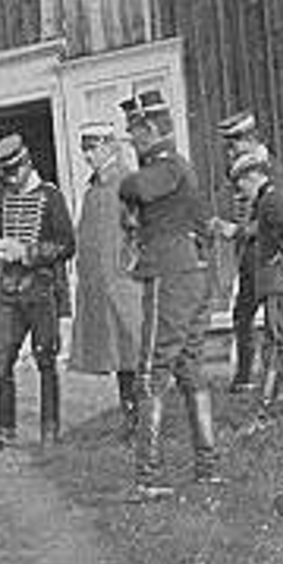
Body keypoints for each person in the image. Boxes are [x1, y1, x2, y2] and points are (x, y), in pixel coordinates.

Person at [118, 89, 222, 503]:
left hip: (171, 275)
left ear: (149, 129)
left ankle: (147, 476)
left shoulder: (168, 166)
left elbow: (136, 188)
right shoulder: (180, 167)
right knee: (190, 367)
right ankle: (207, 466)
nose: (131, 139)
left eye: (134, 132)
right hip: (193, 274)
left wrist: (126, 181)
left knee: (151, 371)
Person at [0, 133, 75, 453]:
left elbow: (67, 244)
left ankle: (50, 432)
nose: (9, 179)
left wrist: (29, 252)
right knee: (1, 361)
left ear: (27, 163)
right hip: (9, 291)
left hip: (41, 289)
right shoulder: (5, 198)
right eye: (4, 173)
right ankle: (4, 434)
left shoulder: (51, 196)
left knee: (45, 359)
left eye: (13, 171)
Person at [68, 119, 143, 443]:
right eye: (84, 149)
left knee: (137, 351)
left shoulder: (128, 183)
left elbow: (142, 229)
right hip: (101, 286)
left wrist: (132, 264)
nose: (88, 155)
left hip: (127, 285)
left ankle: (147, 423)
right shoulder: (93, 190)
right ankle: (130, 420)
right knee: (118, 355)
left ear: (110, 146)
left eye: (93, 148)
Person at [224, 150, 283, 416]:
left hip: (280, 282)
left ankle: (268, 407)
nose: (240, 191)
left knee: (278, 343)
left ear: (252, 177)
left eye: (240, 184)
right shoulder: (269, 199)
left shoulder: (271, 200)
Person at [214, 110, 274, 394]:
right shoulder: (238, 170)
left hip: (272, 255)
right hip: (249, 257)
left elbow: (273, 217)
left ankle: (277, 379)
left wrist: (238, 231)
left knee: (275, 320)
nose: (230, 151)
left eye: (234, 143)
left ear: (250, 139)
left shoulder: (269, 168)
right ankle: (245, 376)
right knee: (242, 315)